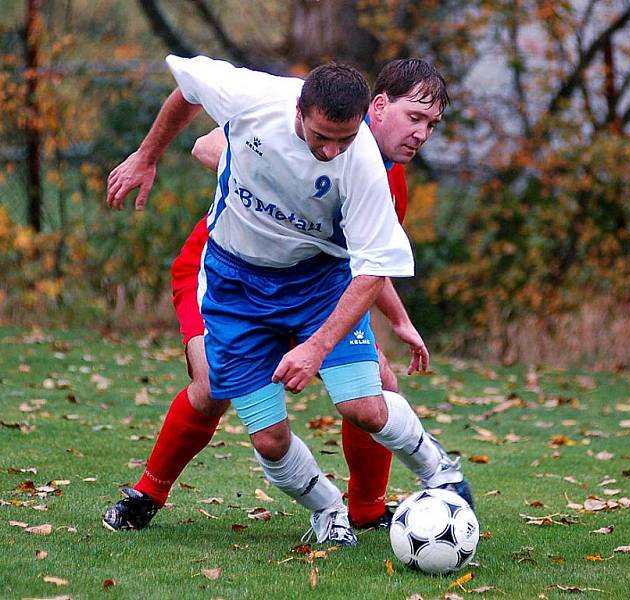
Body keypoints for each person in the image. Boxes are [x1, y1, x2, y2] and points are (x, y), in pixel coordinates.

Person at [106, 55, 472, 545]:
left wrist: (361, 333)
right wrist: (150, 157)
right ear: (378, 107)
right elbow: (200, 123)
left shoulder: (368, 169)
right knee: (221, 394)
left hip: (314, 287)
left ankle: (411, 490)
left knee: (370, 391)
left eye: (432, 124)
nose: (422, 133)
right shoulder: (262, 102)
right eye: (414, 117)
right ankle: (152, 492)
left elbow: (370, 266)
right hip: (227, 278)